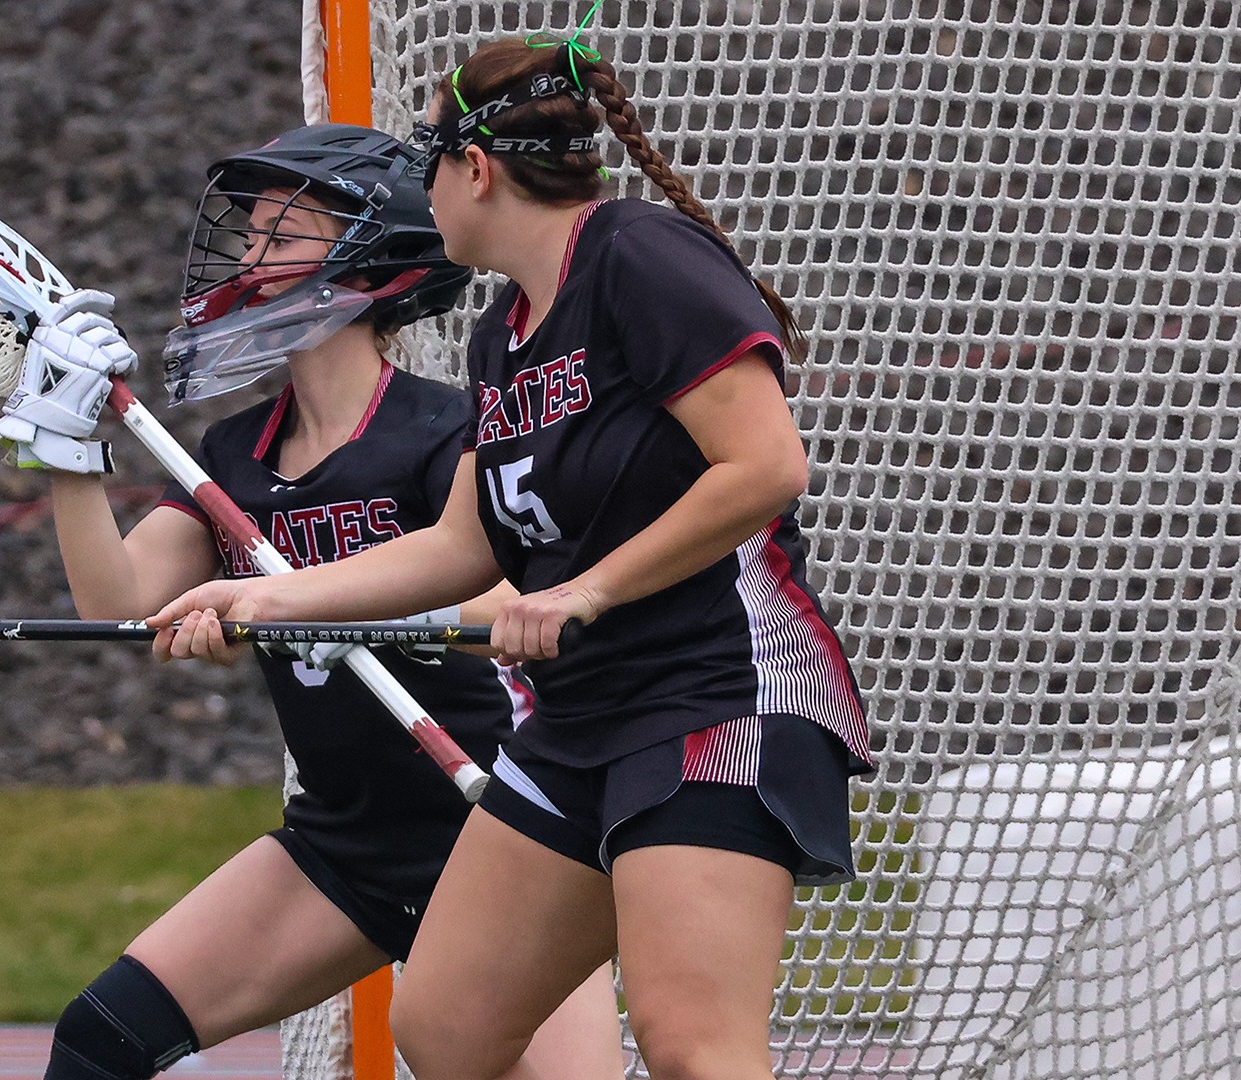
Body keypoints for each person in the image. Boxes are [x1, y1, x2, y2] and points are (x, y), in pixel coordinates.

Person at [148, 38, 877, 1080]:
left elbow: (765, 466)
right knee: (447, 1027)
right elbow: (460, 545)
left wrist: (590, 588)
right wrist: (265, 597)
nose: (421, 195)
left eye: (427, 167)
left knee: (693, 1046)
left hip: (718, 697)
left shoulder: (636, 255)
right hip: (582, 721)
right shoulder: (504, 337)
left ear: (475, 169)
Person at [0, 124, 624, 1080]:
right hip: (348, 845)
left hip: (505, 834)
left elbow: (503, 608)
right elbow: (119, 602)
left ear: (373, 253)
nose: (247, 256)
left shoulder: (446, 428)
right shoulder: (234, 457)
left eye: (281, 231)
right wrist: (69, 456)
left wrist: (297, 607)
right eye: (246, 234)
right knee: (100, 1043)